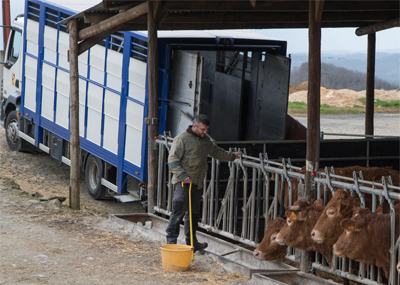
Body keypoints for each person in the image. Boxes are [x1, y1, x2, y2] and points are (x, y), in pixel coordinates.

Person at [166, 114, 242, 252]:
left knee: (193, 215)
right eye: (202, 129)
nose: (205, 132)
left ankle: (192, 243)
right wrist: (182, 175)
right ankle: (171, 242)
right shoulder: (182, 139)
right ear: (194, 126)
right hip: (183, 183)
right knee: (178, 212)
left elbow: (216, 152)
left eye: (207, 129)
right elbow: (172, 160)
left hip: (197, 184)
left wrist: (232, 156)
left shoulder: (205, 140)